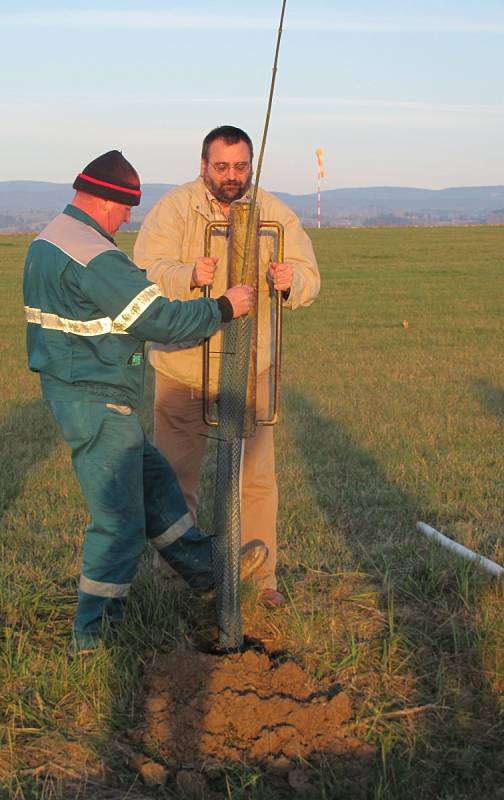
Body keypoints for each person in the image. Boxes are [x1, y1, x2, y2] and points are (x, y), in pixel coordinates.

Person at [23, 150, 269, 650]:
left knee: (156, 487)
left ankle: (205, 572)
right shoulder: (96, 256)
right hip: (97, 400)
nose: (128, 218)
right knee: (119, 524)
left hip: (82, 391)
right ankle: (94, 638)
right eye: (124, 207)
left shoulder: (48, 241)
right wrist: (223, 306)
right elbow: (157, 318)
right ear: (102, 199)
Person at [134, 126, 320, 608]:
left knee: (256, 478)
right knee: (176, 481)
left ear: (250, 166)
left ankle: (261, 583)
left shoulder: (273, 211)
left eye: (240, 167)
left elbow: (310, 277)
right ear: (203, 166)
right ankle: (179, 582)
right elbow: (146, 271)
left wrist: (288, 280)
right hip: (184, 368)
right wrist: (188, 275)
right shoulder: (175, 209)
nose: (231, 177)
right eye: (222, 167)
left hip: (250, 369)